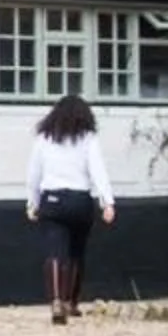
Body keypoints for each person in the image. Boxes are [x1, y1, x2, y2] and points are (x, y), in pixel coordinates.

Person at [24, 94, 114, 323]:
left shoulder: (44, 138)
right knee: (76, 252)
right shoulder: (88, 138)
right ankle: (70, 302)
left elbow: (34, 173)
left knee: (55, 251)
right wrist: (107, 201)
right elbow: (97, 169)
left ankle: (55, 300)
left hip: (52, 199)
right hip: (80, 200)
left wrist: (32, 202)